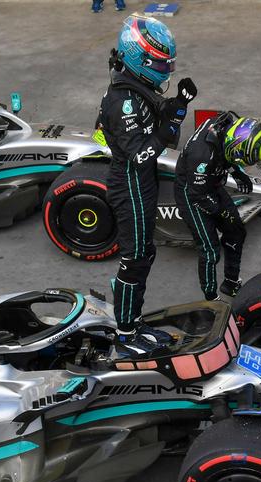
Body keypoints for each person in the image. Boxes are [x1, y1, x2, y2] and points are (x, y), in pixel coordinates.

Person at [98, 14, 197, 356]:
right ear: (139, 58)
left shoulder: (136, 90)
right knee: (135, 257)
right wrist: (169, 128)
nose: (166, 71)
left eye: (168, 64)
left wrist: (179, 105)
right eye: (160, 63)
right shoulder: (121, 101)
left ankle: (134, 322)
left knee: (144, 254)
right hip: (129, 184)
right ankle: (125, 334)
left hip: (141, 182)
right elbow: (141, 153)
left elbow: (158, 118)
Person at [174, 113, 261, 301]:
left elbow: (229, 155)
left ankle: (231, 283)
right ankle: (211, 300)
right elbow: (198, 195)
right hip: (192, 193)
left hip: (212, 182)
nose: (243, 162)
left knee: (236, 232)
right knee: (210, 249)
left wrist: (238, 172)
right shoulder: (201, 155)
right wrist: (221, 211)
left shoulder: (227, 126)